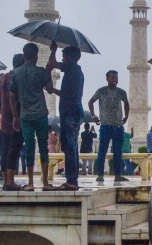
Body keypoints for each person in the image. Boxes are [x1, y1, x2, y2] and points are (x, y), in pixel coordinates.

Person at [9, 42, 55, 191]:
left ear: (23, 56)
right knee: (43, 148)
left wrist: (15, 116)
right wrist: (48, 70)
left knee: (29, 147)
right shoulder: (41, 72)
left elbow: (11, 96)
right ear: (36, 56)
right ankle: (46, 183)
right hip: (41, 114)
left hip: (25, 115)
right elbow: (49, 90)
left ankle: (30, 183)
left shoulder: (16, 73)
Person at [46, 42, 84, 191]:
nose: (63, 59)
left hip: (70, 112)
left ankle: (71, 180)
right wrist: (53, 89)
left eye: (64, 56)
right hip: (73, 111)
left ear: (70, 57)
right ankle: (72, 179)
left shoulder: (72, 68)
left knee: (69, 147)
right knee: (71, 146)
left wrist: (53, 50)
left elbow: (52, 64)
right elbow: (66, 93)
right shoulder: (75, 72)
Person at [89, 70, 130, 182]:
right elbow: (90, 102)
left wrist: (126, 116)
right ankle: (100, 175)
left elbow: (126, 103)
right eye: (112, 78)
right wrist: (94, 116)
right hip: (105, 126)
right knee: (102, 151)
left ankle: (117, 175)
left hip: (118, 126)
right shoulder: (101, 91)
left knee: (118, 152)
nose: (114, 80)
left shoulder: (121, 92)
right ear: (107, 78)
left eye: (116, 78)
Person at [0, 54, 25, 190]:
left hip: (5, 118)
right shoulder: (18, 77)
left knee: (5, 150)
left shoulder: (2, 77)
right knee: (13, 150)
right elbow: (16, 97)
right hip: (16, 118)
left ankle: (5, 180)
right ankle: (10, 182)